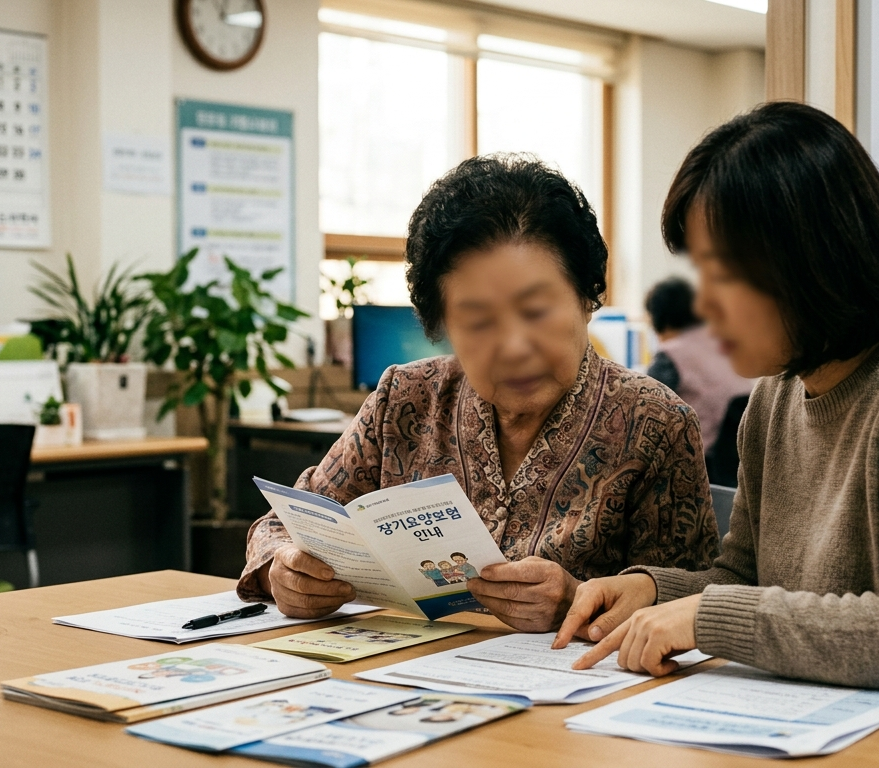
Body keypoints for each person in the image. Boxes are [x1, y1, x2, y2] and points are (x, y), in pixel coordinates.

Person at [555, 102, 879, 697]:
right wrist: (654, 591)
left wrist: (707, 616)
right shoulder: (774, 399)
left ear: (813, 261)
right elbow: (745, 578)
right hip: (847, 714)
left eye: (723, 275)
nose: (705, 305)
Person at [237, 154, 720, 633]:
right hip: (396, 668)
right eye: (478, 322)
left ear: (587, 297)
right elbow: (285, 524)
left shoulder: (654, 421)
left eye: (536, 311)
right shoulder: (404, 398)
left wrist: (578, 599)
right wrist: (286, 568)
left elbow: (695, 598)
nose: (514, 348)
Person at [644, 276, 753, 483]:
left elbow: (642, 411)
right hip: (739, 462)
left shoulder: (671, 355)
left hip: (700, 467)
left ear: (658, 317)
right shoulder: (721, 342)